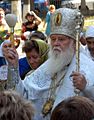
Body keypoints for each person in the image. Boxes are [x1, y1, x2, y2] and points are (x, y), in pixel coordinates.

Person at [2, 8, 94, 120]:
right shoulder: (50, 65)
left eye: (61, 39)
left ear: (74, 42)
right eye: (53, 39)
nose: (56, 43)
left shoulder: (89, 68)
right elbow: (22, 94)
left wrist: (86, 88)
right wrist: (14, 66)